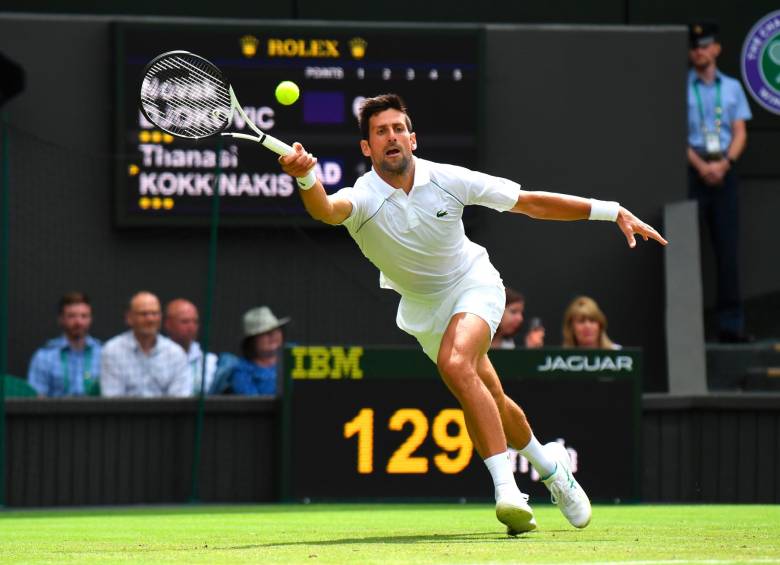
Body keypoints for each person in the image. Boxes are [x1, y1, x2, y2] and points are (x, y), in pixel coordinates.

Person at [278, 94, 667, 534]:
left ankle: (507, 492)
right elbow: (327, 211)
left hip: (474, 284)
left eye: (398, 128)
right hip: (425, 311)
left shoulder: (449, 179)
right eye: (381, 131)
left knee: (456, 363)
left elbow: (529, 202)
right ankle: (553, 469)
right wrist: (307, 178)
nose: (392, 137)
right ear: (367, 147)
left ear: (413, 138)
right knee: (491, 397)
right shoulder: (362, 198)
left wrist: (610, 211)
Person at [686, 22, 752, 343]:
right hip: (693, 170)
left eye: (705, 45)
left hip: (724, 171)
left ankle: (731, 325)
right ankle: (692, 330)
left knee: (727, 249)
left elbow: (740, 130)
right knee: (687, 248)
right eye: (695, 46)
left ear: (716, 49)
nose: (700, 50)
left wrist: (725, 164)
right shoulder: (682, 86)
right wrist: (701, 166)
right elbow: (676, 132)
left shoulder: (733, 87)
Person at [100, 291, 191, 398]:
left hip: (167, 414)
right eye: (144, 314)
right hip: (124, 414)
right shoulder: (112, 350)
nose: (150, 319)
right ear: (129, 317)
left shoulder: (176, 353)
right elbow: (112, 400)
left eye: (155, 313)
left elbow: (179, 401)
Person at [27, 292, 101, 397]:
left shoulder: (104, 353)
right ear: (61, 319)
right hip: (54, 412)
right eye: (72, 316)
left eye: (84, 316)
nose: (78, 322)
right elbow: (36, 398)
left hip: (97, 412)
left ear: (91, 319)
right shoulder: (44, 356)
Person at [211, 306, 289, 396]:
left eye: (276, 330)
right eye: (265, 332)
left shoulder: (295, 356)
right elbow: (255, 406)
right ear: (251, 341)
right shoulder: (241, 370)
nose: (273, 335)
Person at [163, 298, 217, 395]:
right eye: (185, 321)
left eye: (195, 322)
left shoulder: (210, 361)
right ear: (168, 324)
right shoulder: (157, 357)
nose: (191, 326)